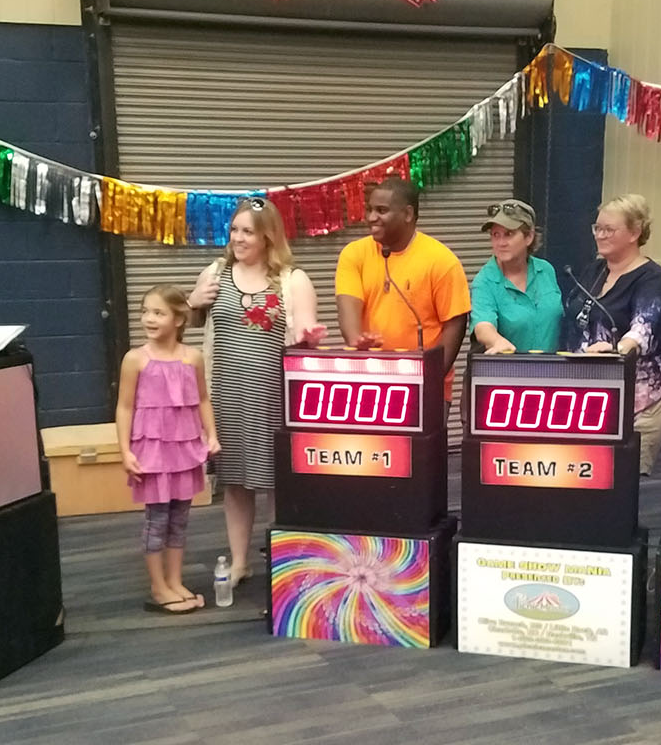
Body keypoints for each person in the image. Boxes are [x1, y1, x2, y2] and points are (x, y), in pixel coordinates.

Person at [187, 197, 323, 589]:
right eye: (235, 230)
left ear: (268, 236)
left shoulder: (292, 280)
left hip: (274, 398)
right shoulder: (215, 272)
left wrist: (308, 337)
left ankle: (282, 560)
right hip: (226, 396)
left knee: (279, 481)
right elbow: (190, 320)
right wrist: (193, 302)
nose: (238, 238)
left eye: (248, 231)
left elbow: (307, 333)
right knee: (235, 481)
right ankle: (240, 561)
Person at [116, 285, 220, 615]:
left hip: (183, 451)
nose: (149, 318)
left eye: (158, 313)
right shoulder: (135, 360)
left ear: (178, 319)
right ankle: (158, 586)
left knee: (180, 519)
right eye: (145, 311)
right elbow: (125, 407)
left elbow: (202, 399)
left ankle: (175, 580)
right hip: (152, 453)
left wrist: (212, 435)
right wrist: (125, 451)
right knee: (157, 519)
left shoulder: (193, 358)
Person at [563, 194, 661, 475]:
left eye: (609, 230)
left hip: (638, 405)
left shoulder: (653, 278)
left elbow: (644, 329)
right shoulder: (594, 271)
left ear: (634, 232)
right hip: (587, 401)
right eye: (597, 228)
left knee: (622, 484)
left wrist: (617, 349)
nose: (600, 235)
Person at [336, 176, 471, 400]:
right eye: (369, 209)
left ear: (408, 214)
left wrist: (430, 379)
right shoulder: (353, 254)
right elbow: (347, 304)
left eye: (381, 210)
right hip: (370, 382)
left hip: (425, 384)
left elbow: (455, 325)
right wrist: (355, 340)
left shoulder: (441, 260)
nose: (371, 218)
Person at [470, 198, 562, 354]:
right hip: (510, 367)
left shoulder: (546, 270)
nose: (501, 243)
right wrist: (497, 341)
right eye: (495, 235)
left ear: (529, 237)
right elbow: (483, 326)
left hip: (551, 367)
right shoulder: (485, 280)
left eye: (509, 234)